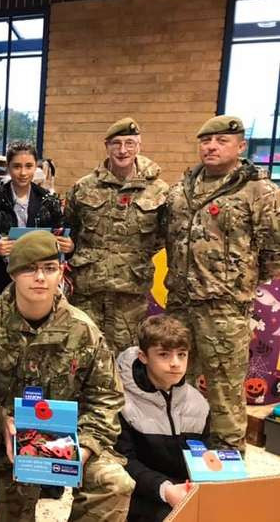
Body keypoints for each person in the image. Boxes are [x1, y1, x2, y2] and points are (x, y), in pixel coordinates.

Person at [0, 230, 134, 522]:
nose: (40, 277)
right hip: (3, 447)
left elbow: (107, 397)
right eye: (30, 268)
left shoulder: (83, 330)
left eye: (49, 268)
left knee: (115, 484)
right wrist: (0, 420)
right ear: (13, 273)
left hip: (66, 442)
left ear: (60, 273)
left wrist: (84, 448)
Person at [163, 115, 280, 451]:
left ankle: (228, 463)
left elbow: (274, 252)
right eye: (205, 141)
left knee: (225, 390)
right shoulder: (182, 189)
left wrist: (235, 282)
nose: (211, 147)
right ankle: (179, 450)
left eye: (221, 141)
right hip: (181, 304)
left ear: (241, 146)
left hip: (224, 309)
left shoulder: (260, 191)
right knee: (176, 381)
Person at [65, 117, 168, 354]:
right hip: (88, 289)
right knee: (83, 351)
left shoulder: (158, 189)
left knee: (126, 355)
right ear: (107, 146)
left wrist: (131, 258)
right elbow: (71, 229)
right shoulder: (84, 187)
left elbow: (163, 236)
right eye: (117, 143)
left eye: (130, 143)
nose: (123, 150)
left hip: (130, 292)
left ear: (139, 146)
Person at [114, 315, 209, 522]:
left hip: (185, 492)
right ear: (143, 357)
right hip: (139, 493)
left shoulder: (198, 403)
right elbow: (123, 461)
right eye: (164, 355)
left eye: (181, 355)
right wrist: (166, 490)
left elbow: (202, 456)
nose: (175, 363)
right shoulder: (121, 402)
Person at [0, 141, 69, 299]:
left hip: (39, 281)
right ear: (8, 166)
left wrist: (68, 245)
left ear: (36, 167)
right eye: (17, 166)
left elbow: (61, 238)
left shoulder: (49, 200)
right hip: (0, 280)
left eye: (29, 166)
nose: (23, 173)